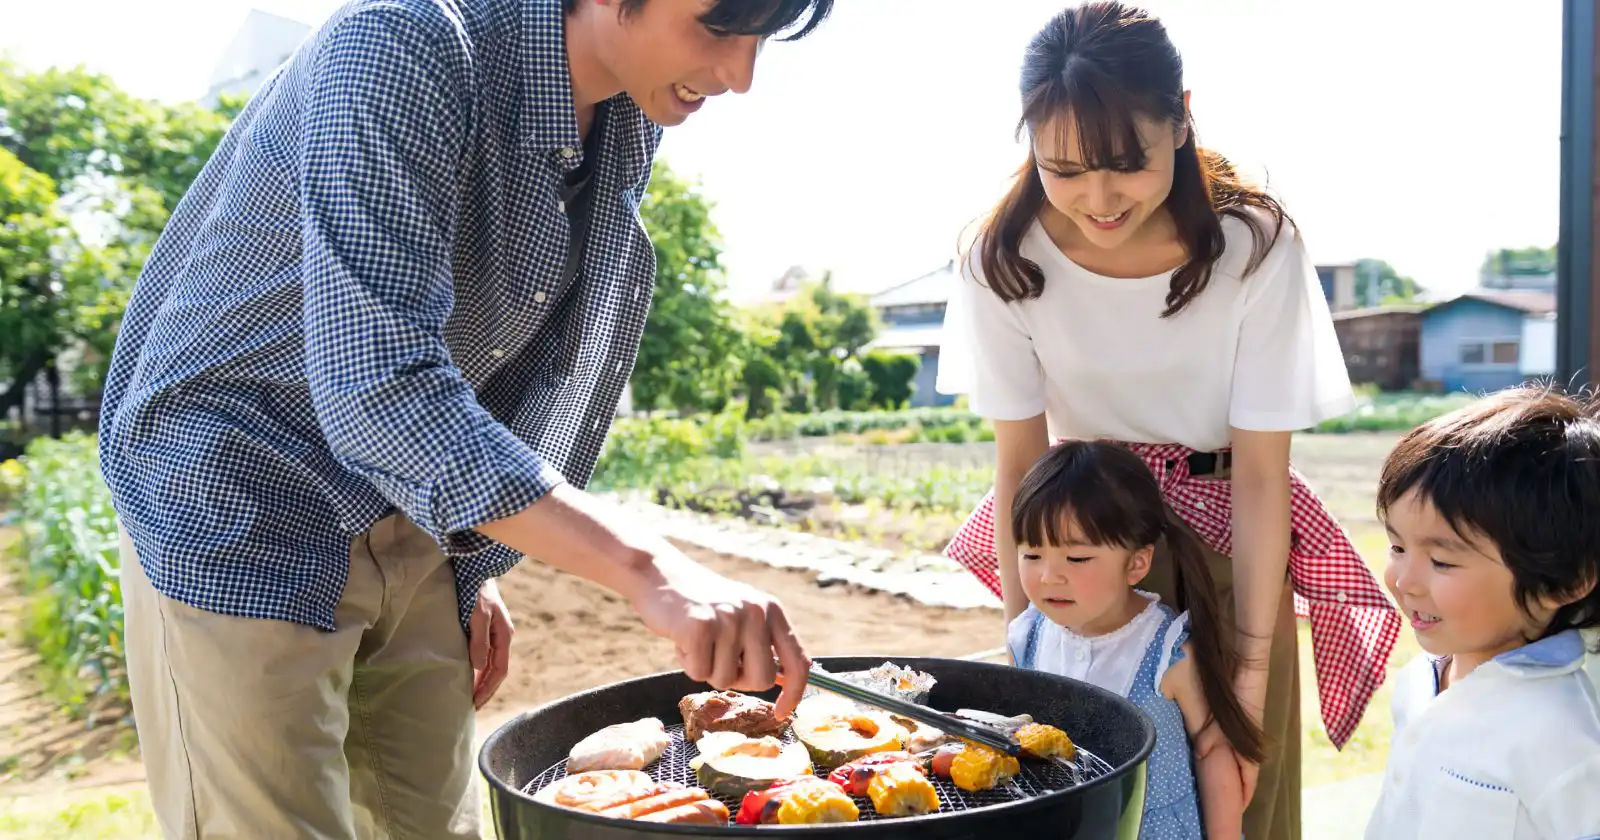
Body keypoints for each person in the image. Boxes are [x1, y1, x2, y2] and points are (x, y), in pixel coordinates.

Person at [96, 0, 833, 837]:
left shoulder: (629, 112)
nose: (740, 76)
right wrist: (651, 570)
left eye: (762, 38)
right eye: (716, 26)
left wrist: (467, 552)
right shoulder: (403, 43)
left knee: (438, 828)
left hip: (405, 509)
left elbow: (504, 352)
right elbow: (380, 385)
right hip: (238, 494)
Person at [934, 3, 1401, 837]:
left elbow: (1261, 475)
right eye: (1063, 168)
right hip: (1088, 550)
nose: (1099, 199)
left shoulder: (1252, 244)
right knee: (1084, 804)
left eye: (1125, 163)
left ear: (1182, 117)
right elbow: (1018, 468)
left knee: (1238, 806)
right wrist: (1026, 642)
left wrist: (1246, 688)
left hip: (1230, 554)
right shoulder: (1000, 261)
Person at [1363, 386, 1600, 840]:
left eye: (1442, 561)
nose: (1404, 580)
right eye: (1397, 546)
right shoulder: (1420, 680)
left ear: (1563, 582)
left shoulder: (1557, 731)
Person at [1007, 440, 1264, 839]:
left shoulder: (1167, 654)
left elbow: (1213, 749)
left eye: (1076, 558)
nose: (1048, 576)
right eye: (1032, 554)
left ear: (1137, 563)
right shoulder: (1027, 637)